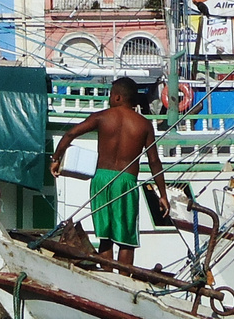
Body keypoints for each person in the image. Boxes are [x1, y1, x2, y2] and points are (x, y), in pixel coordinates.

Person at [49, 77, 169, 267]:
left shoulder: (102, 117)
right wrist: (162, 194)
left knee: (105, 237)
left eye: (111, 95)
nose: (109, 98)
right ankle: (124, 280)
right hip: (126, 181)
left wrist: (56, 159)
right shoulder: (143, 124)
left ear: (119, 97)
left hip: (101, 179)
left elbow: (70, 134)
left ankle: (107, 277)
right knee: (126, 241)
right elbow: (154, 161)